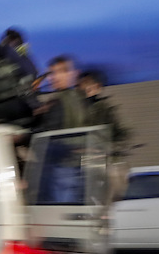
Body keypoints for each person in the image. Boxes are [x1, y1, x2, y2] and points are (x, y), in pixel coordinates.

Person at [78, 68, 133, 201]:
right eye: (82, 84)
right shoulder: (80, 109)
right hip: (88, 165)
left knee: (114, 201)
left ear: (98, 86)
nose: (85, 88)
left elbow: (125, 134)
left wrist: (107, 150)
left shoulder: (108, 108)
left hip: (110, 164)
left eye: (88, 84)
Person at [34, 54, 85, 131]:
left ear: (75, 73)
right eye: (51, 73)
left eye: (61, 71)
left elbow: (49, 132)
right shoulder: (80, 98)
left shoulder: (58, 102)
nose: (54, 77)